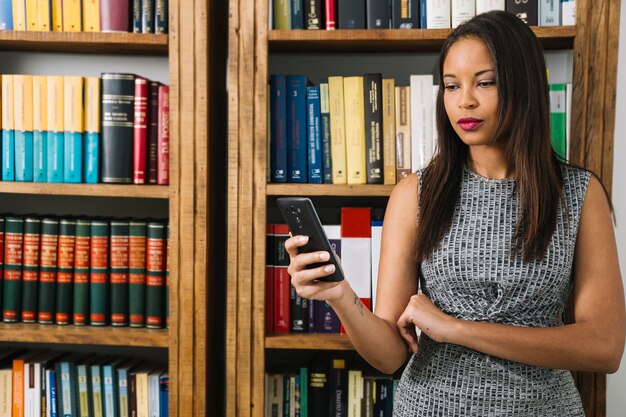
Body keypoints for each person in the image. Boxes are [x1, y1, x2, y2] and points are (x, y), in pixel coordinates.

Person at [284, 10, 625, 416]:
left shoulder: (579, 195)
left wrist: (457, 330)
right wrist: (340, 296)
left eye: (485, 82)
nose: (465, 100)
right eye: (451, 85)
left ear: (525, 85)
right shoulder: (416, 194)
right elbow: (391, 357)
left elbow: (604, 348)